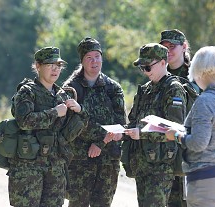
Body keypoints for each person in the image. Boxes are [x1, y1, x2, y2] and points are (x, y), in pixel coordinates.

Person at [8, 46, 88, 206]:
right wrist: (54, 112)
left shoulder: (63, 95)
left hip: (55, 167)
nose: (55, 69)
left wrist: (80, 111)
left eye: (58, 66)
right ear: (38, 66)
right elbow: (24, 121)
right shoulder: (27, 92)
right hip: (28, 167)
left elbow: (78, 127)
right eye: (50, 65)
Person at [165, 46, 215, 207]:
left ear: (197, 70)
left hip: (205, 179)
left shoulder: (205, 101)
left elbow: (198, 143)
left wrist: (176, 135)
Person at [63, 37, 127, 207]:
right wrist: (102, 137)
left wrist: (100, 142)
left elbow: (120, 124)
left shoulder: (113, 88)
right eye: (89, 58)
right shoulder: (71, 88)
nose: (94, 61)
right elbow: (72, 125)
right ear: (82, 61)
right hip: (80, 161)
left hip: (108, 161)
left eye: (97, 57)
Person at [122, 43, 187, 207]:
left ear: (163, 63)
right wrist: (123, 132)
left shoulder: (173, 89)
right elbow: (135, 121)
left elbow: (176, 128)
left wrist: (141, 134)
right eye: (141, 67)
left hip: (160, 167)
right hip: (142, 164)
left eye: (148, 67)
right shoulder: (145, 89)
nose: (144, 71)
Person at [159, 29, 195, 207]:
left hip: (188, 151)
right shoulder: (158, 76)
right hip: (162, 153)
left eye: (172, 46)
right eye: (164, 47)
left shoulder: (196, 77)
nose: (168, 51)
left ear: (184, 47)